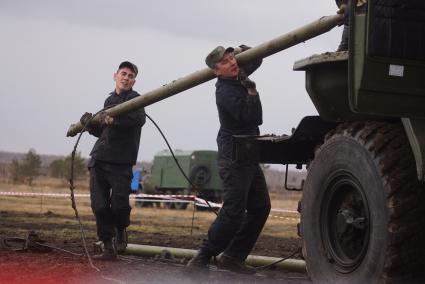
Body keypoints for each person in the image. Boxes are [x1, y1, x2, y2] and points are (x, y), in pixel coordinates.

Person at [187, 45, 271, 274]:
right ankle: (202, 257)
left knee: (261, 206)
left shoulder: (237, 74)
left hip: (248, 153)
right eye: (225, 62)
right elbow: (254, 117)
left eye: (232, 57)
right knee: (234, 210)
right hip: (234, 156)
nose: (232, 62)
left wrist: (249, 49)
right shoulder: (224, 91)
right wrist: (253, 93)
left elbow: (257, 59)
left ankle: (233, 257)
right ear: (217, 71)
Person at [80, 61, 146, 261]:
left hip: (121, 162)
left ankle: (121, 230)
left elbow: (138, 120)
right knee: (99, 206)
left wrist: (115, 120)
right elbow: (103, 131)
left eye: (130, 75)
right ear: (115, 75)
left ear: (134, 80)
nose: (126, 78)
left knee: (118, 206)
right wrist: (89, 125)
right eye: (123, 73)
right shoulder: (109, 100)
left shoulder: (136, 99)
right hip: (99, 159)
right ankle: (108, 246)